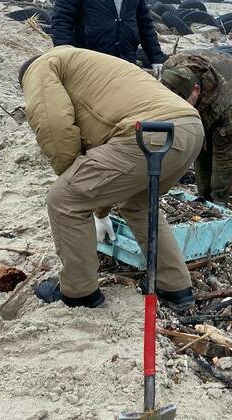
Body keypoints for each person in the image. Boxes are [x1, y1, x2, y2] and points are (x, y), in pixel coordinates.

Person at [19, 46, 204, 309]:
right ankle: (173, 286)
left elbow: (55, 127)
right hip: (189, 129)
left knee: (64, 199)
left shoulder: (40, 69)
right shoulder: (84, 65)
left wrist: (74, 182)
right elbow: (107, 168)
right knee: (138, 204)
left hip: (146, 133)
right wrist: (101, 211)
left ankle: (80, 292)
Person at [160, 50, 232, 238]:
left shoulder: (224, 99)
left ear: (196, 90)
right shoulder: (170, 71)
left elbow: (226, 153)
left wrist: (219, 201)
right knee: (201, 140)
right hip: (229, 85)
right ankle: (205, 199)